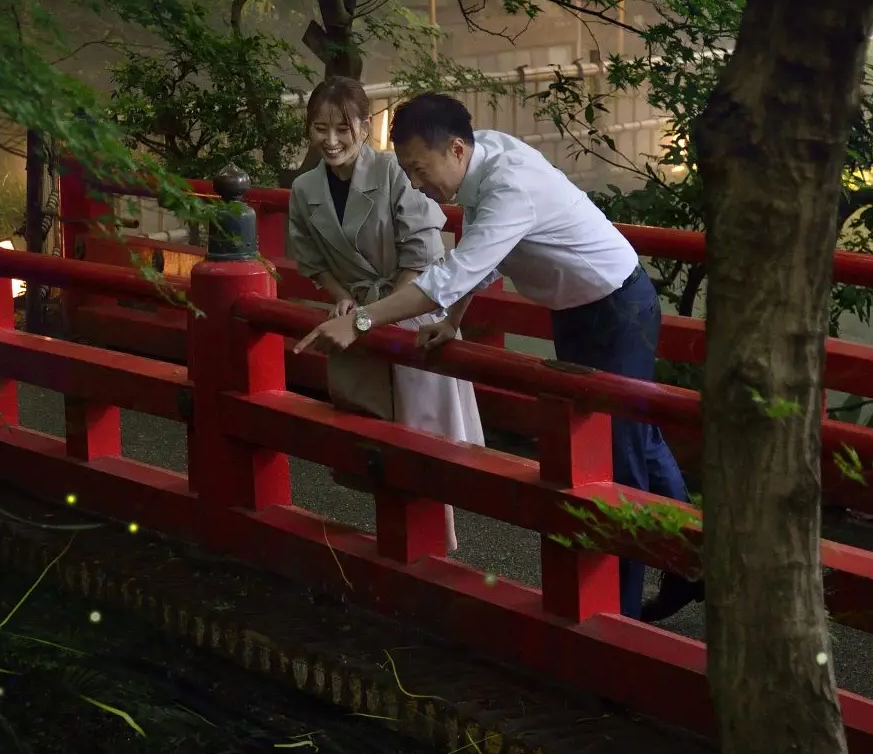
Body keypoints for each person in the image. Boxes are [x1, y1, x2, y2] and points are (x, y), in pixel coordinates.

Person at [291, 92, 703, 622]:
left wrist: (362, 321)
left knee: (617, 459)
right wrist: (454, 321)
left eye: (419, 169)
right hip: (575, 308)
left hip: (616, 307)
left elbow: (448, 273)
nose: (416, 183)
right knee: (632, 439)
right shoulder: (485, 162)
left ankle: (619, 611)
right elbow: (478, 257)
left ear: (456, 149)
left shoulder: (509, 184)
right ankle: (690, 563)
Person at [285, 78, 486, 552]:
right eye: (320, 128)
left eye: (342, 128)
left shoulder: (398, 172)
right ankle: (396, 540)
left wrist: (375, 315)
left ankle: (436, 544)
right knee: (373, 433)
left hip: (411, 309)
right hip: (357, 315)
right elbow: (312, 261)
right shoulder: (304, 188)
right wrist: (342, 298)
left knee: (422, 433)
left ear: (364, 125)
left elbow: (422, 254)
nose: (330, 141)